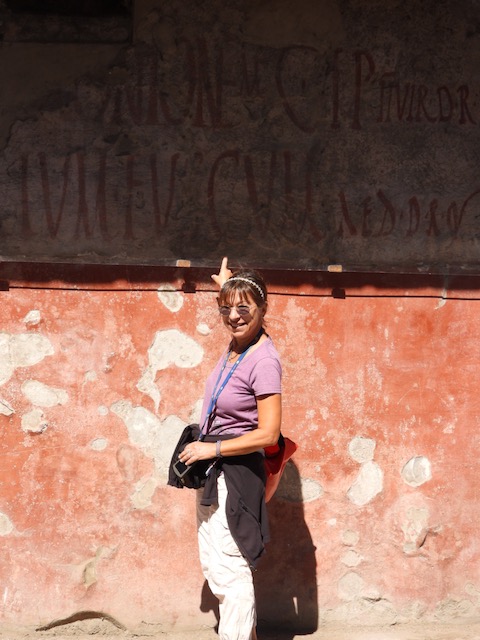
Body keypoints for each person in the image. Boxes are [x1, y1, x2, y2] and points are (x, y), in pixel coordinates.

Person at [177, 257, 282, 640]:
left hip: (234, 474)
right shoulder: (239, 346)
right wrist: (227, 286)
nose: (234, 316)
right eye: (226, 309)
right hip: (215, 472)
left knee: (230, 569)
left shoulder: (263, 360)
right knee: (216, 564)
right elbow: (237, 300)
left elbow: (269, 434)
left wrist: (212, 450)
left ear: (263, 308)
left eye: (244, 309)